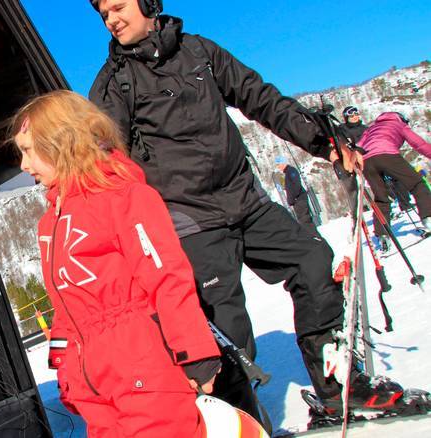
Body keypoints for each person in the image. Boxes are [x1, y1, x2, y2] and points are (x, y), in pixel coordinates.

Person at [87, 0, 406, 420]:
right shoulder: (113, 83)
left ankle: (336, 388)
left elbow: (262, 98)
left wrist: (324, 142)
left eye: (118, 7)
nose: (112, 20)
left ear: (149, 3)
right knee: (225, 334)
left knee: (312, 261)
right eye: (104, 15)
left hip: (246, 200)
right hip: (188, 221)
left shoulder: (200, 51)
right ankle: (243, 426)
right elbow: (106, 165)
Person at [11, 90, 221, 437]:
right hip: (94, 389)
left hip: (144, 373)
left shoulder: (123, 196)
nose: (23, 165)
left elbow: (167, 277)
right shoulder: (51, 223)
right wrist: (64, 368)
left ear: (61, 142)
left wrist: (196, 352)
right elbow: (64, 307)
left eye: (28, 150)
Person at [359, 112, 431, 249]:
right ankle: (429, 219)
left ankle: (383, 236)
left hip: (366, 162)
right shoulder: (399, 124)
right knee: (417, 184)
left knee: (381, 199)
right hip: (387, 155)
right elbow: (419, 144)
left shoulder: (371, 128)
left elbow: (358, 146)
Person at [276, 156, 319, 235]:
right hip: (297, 201)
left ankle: (315, 237)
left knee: (305, 220)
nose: (278, 167)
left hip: (299, 200)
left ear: (283, 163)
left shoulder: (291, 171)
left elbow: (297, 184)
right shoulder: (287, 173)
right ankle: (312, 237)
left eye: (278, 164)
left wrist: (294, 198)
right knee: (303, 221)